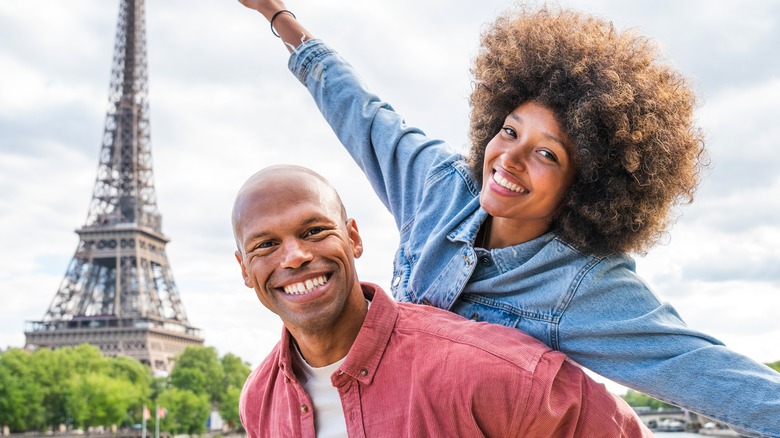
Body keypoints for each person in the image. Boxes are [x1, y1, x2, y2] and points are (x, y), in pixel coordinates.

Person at [234, 1, 780, 436]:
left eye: (549, 154)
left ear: (585, 185)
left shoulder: (585, 286)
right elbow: (362, 114)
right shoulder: (440, 187)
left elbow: (716, 378)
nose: (510, 160)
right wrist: (278, 17)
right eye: (511, 131)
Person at [232, 164, 651, 437]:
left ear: (353, 238)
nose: (295, 256)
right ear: (245, 270)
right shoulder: (258, 399)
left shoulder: (494, 372)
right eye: (265, 245)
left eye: (313, 231)